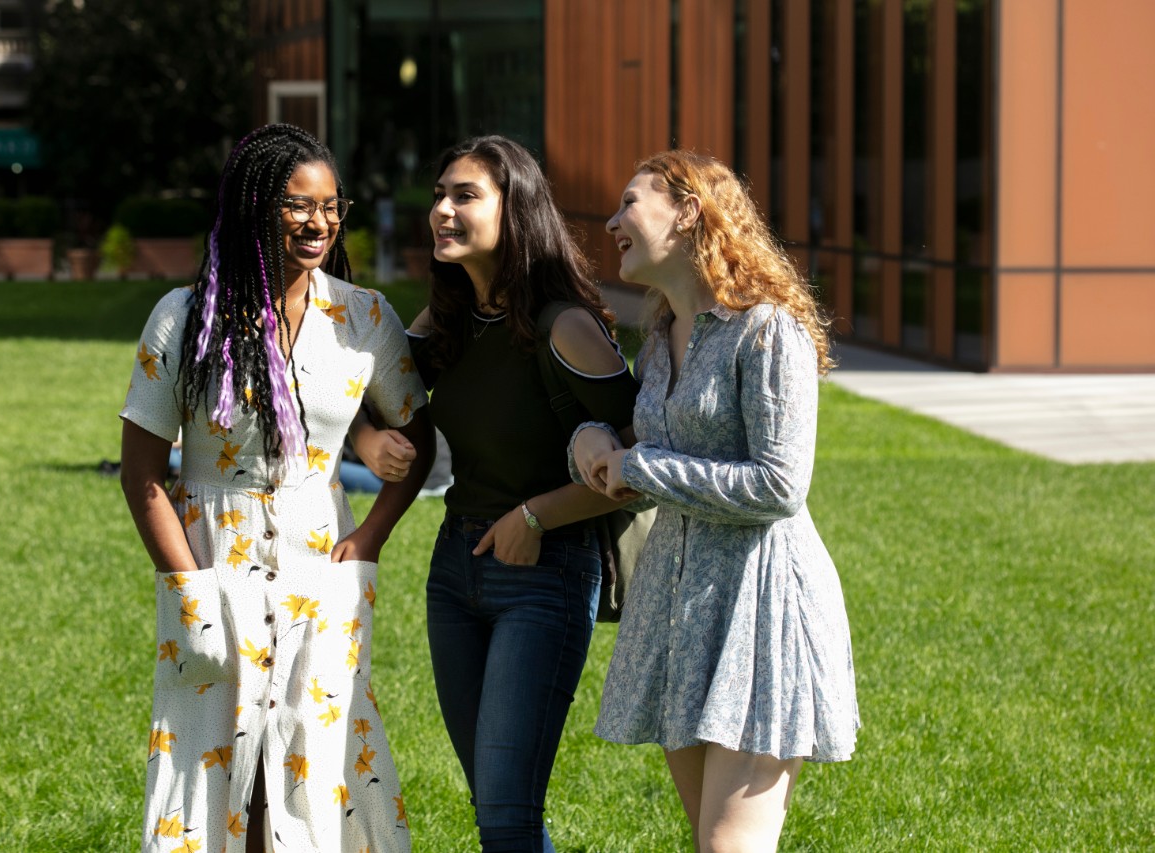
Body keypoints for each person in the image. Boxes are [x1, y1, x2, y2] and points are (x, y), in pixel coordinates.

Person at [119, 123, 433, 853]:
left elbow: (419, 438)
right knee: (218, 748)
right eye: (298, 205)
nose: (318, 221)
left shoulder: (364, 317)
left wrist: (370, 537)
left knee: (310, 746)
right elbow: (142, 474)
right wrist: (189, 588)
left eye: (331, 206)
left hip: (323, 564)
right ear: (255, 208)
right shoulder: (181, 316)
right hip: (211, 559)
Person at [572, 151, 859, 852]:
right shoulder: (661, 340)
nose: (612, 221)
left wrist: (645, 465)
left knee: (731, 844)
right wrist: (593, 435)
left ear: (690, 211)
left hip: (760, 605)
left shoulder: (768, 331)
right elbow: (648, 435)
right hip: (681, 610)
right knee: (711, 841)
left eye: (630, 203)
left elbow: (780, 484)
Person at [403, 135, 640, 851]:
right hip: (453, 573)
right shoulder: (446, 318)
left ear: (517, 209)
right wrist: (363, 444)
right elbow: (357, 394)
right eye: (439, 195)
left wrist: (536, 514)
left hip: (544, 575)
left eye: (465, 195)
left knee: (506, 812)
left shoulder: (563, 326)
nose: (442, 209)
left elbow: (640, 463)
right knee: (494, 803)